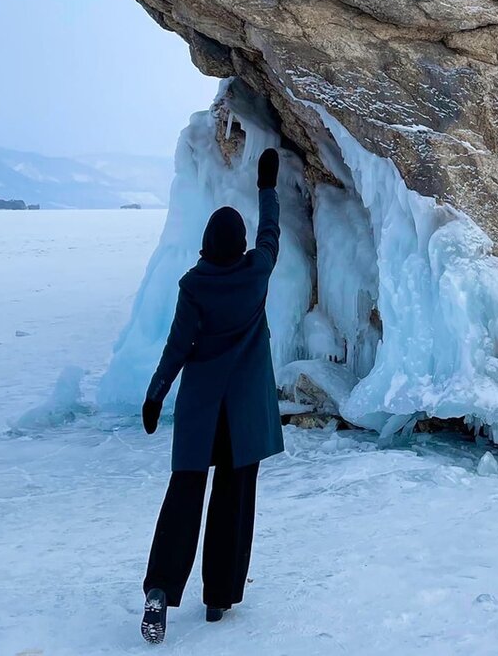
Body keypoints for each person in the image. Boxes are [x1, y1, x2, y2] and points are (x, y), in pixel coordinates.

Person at [138, 147, 285, 644]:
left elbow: (178, 346)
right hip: (243, 417)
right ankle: (218, 597)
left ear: (205, 243)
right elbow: (271, 234)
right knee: (234, 500)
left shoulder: (194, 284)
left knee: (183, 499)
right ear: (239, 245)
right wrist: (267, 185)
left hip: (202, 414)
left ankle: (159, 591)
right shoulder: (257, 272)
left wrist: (156, 395)